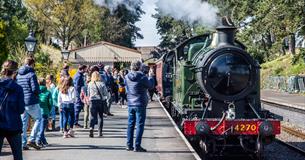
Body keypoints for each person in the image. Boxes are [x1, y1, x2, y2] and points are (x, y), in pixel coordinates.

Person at [125, 60, 154, 152]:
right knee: (140, 125)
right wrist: (151, 76)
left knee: (130, 124)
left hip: (130, 103)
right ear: (139, 67)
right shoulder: (142, 77)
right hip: (140, 103)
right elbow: (151, 86)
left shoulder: (127, 76)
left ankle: (129, 145)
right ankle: (137, 146)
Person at [0, 60, 25, 160]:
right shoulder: (18, 88)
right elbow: (21, 110)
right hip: (13, 125)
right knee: (17, 156)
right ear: (15, 72)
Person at [17, 57, 41, 150]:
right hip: (31, 101)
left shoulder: (18, 75)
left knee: (24, 123)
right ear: (32, 64)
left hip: (22, 101)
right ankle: (32, 139)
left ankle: (23, 143)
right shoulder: (32, 74)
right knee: (39, 119)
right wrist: (39, 92)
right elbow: (34, 88)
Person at [88, 71, 108, 138]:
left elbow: (88, 93)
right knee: (100, 116)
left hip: (92, 101)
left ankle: (91, 128)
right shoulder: (102, 84)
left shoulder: (90, 84)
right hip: (100, 101)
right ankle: (99, 132)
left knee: (92, 116)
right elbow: (106, 94)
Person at [37, 78, 52, 147]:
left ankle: (44, 141)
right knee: (42, 128)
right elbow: (50, 103)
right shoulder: (48, 92)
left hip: (36, 111)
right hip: (44, 112)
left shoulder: (36, 91)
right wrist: (49, 110)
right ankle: (38, 140)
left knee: (40, 127)